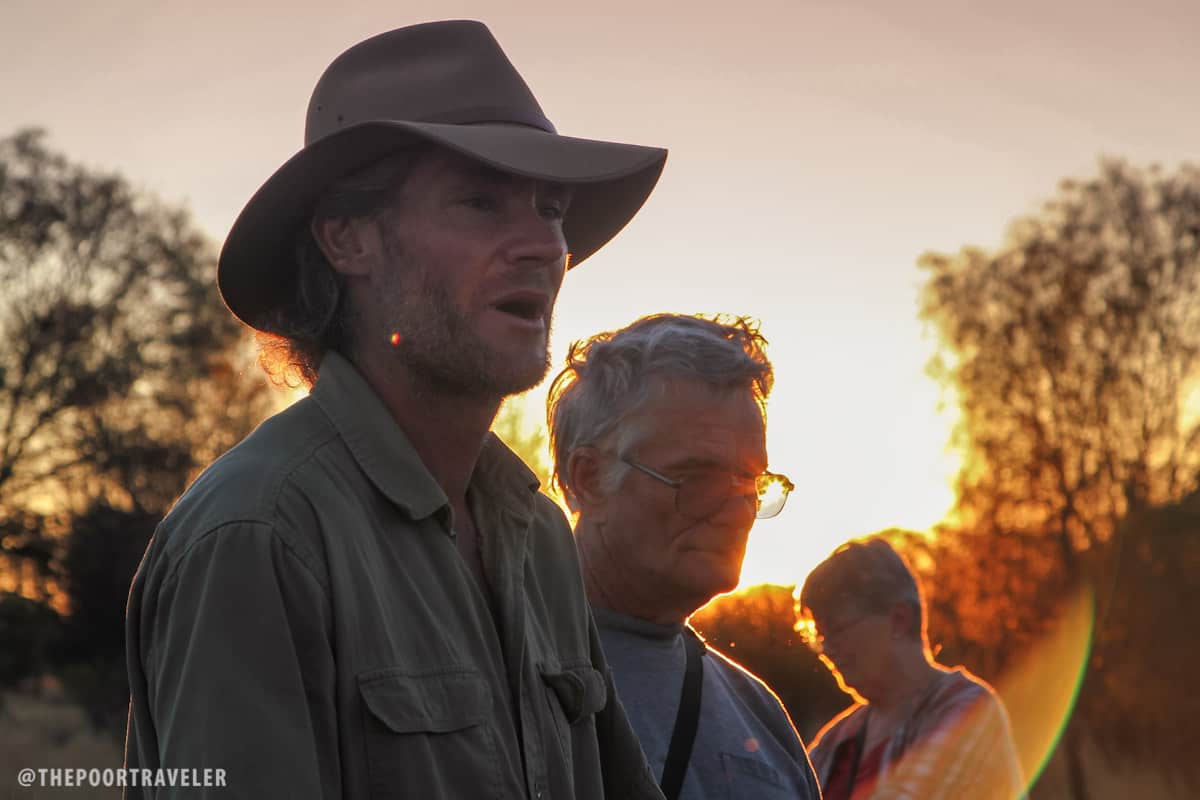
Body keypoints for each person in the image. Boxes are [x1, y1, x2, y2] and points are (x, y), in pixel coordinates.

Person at [124, 21, 669, 800]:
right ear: (349, 240)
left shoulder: (538, 535)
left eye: (551, 208)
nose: (543, 246)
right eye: (480, 202)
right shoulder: (260, 535)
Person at [547, 314, 822, 799]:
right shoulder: (490, 670)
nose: (738, 511)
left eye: (752, 482)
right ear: (588, 478)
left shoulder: (761, 715)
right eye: (697, 477)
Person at [798, 537, 1026, 800]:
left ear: (899, 620)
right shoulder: (835, 741)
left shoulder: (967, 709)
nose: (827, 650)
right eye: (820, 638)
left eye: (837, 630)